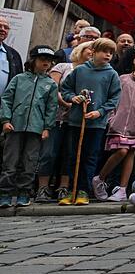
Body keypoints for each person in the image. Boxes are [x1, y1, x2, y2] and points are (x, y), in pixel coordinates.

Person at [60, 38, 122, 205]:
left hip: (96, 124)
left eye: (111, 53)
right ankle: (71, 189)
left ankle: (83, 190)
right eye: (104, 51)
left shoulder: (112, 74)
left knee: (90, 156)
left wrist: (99, 112)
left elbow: (115, 98)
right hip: (76, 121)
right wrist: (72, 98)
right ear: (93, 52)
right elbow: (65, 88)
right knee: (73, 156)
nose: (108, 55)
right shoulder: (79, 71)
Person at [92, 51, 135, 202]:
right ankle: (100, 178)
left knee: (131, 154)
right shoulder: (122, 79)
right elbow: (112, 97)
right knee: (121, 151)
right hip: (119, 124)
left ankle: (122, 189)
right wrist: (111, 118)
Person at [0, 46, 59, 207]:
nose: (46, 63)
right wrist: (5, 120)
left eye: (49, 60)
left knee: (30, 162)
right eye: (42, 59)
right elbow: (7, 99)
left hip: (36, 129)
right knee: (10, 161)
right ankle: (5, 193)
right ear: (33, 61)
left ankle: (24, 193)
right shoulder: (19, 79)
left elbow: (51, 108)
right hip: (15, 126)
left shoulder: (50, 84)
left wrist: (47, 127)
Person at [37, 42, 94, 203]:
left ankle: (63, 187)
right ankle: (43, 187)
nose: (93, 52)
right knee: (49, 153)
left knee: (70, 154)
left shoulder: (91, 72)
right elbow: (53, 88)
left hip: (75, 121)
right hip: (56, 117)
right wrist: (67, 103)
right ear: (81, 50)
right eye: (90, 49)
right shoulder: (63, 66)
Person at [0, 17, 23, 96]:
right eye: (0, 26)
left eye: (6, 27)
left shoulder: (14, 55)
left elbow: (18, 82)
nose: (2, 29)